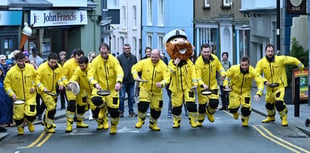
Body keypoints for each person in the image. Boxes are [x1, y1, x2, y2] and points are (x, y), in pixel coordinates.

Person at [255, 44, 304, 126]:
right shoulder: (261, 62)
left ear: (274, 52)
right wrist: (264, 81)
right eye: (268, 51)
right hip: (269, 87)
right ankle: (271, 117)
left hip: (279, 86)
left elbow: (293, 60)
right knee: (269, 104)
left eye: (271, 51)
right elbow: (256, 74)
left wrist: (301, 66)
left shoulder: (280, 59)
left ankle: (284, 118)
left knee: (279, 102)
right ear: (265, 52)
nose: (270, 53)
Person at [164, 29, 198, 128]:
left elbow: (193, 72)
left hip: (188, 87)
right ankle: (176, 121)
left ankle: (192, 120)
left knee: (191, 105)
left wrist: (195, 83)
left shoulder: (188, 62)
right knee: (176, 107)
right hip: (176, 88)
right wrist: (175, 64)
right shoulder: (171, 62)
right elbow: (170, 72)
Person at [88, 43, 124, 134]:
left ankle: (114, 126)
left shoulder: (114, 60)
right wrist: (95, 84)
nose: (103, 55)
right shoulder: (96, 61)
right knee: (95, 99)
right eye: (101, 53)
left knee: (114, 112)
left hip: (112, 89)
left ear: (108, 51)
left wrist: (118, 82)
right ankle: (103, 108)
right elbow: (90, 75)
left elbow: (119, 71)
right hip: (100, 87)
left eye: (105, 53)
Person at [131, 49, 169, 131]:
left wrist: (162, 83)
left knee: (156, 109)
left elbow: (167, 78)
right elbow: (134, 68)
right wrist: (136, 77)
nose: (154, 59)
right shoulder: (144, 62)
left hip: (157, 90)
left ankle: (153, 123)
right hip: (145, 88)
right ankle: (140, 120)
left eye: (156, 57)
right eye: (152, 57)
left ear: (159, 56)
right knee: (143, 104)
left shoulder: (163, 66)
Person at [223, 56, 265, 127]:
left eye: (246, 65)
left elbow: (259, 81)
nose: (244, 67)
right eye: (242, 65)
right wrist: (226, 85)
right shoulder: (234, 68)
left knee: (246, 109)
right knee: (232, 108)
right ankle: (235, 112)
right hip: (234, 91)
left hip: (246, 92)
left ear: (249, 64)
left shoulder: (252, 71)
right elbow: (226, 75)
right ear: (240, 64)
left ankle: (245, 120)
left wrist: (258, 94)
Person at [4, 52, 37, 135]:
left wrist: (34, 86)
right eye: (19, 61)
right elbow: (6, 85)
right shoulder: (11, 72)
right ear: (16, 61)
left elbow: (36, 77)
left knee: (31, 114)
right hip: (18, 98)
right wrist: (12, 94)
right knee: (18, 117)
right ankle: (20, 129)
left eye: (23, 61)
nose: (21, 63)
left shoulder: (30, 68)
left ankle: (30, 122)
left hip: (30, 96)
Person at [195, 44, 226, 127]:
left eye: (208, 51)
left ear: (210, 51)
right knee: (202, 106)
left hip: (213, 85)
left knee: (214, 103)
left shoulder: (215, 58)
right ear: (201, 52)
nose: (206, 53)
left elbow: (220, 67)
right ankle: (200, 121)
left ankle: (209, 113)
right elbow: (197, 76)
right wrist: (202, 84)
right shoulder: (198, 62)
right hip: (202, 87)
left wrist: (223, 74)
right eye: (204, 52)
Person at [36, 53, 64, 133]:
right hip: (44, 91)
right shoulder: (42, 68)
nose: (53, 64)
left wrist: (60, 84)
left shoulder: (58, 67)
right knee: (51, 106)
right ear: (48, 60)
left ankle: (46, 121)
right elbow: (37, 80)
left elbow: (59, 78)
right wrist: (42, 87)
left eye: (55, 62)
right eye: (51, 62)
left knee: (53, 108)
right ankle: (49, 125)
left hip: (53, 91)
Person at [68, 56, 94, 130]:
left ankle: (101, 123)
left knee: (96, 107)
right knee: (81, 106)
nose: (81, 67)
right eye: (80, 65)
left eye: (83, 65)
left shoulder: (92, 68)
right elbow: (74, 77)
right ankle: (79, 122)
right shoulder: (78, 70)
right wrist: (70, 83)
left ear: (87, 64)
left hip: (95, 90)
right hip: (84, 91)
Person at [62, 49, 84, 133]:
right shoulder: (68, 64)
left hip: (82, 88)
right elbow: (63, 76)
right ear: (73, 57)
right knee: (71, 106)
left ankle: (80, 122)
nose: (79, 60)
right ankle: (69, 124)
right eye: (77, 58)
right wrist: (66, 84)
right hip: (70, 88)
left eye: (81, 57)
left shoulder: (85, 63)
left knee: (81, 106)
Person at [117, 44, 138, 117]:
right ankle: (121, 111)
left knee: (131, 97)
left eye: (128, 48)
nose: (127, 50)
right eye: (125, 49)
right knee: (121, 97)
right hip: (123, 80)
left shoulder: (134, 57)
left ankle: (131, 111)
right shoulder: (119, 58)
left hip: (131, 80)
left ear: (130, 49)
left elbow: (136, 68)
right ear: (123, 49)